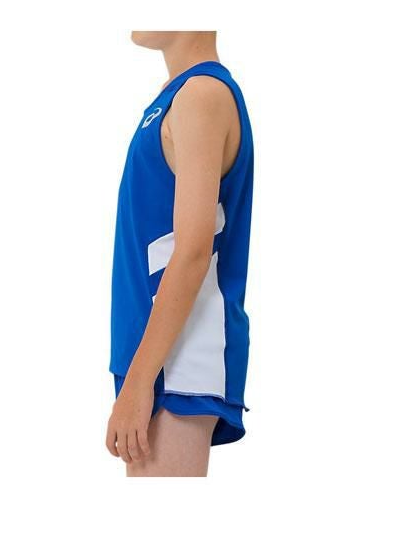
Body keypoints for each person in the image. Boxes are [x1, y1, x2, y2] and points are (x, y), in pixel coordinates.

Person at [106, 31, 254, 476]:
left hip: (178, 358)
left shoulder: (202, 94)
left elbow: (192, 250)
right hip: (156, 352)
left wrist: (139, 381)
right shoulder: (178, 97)